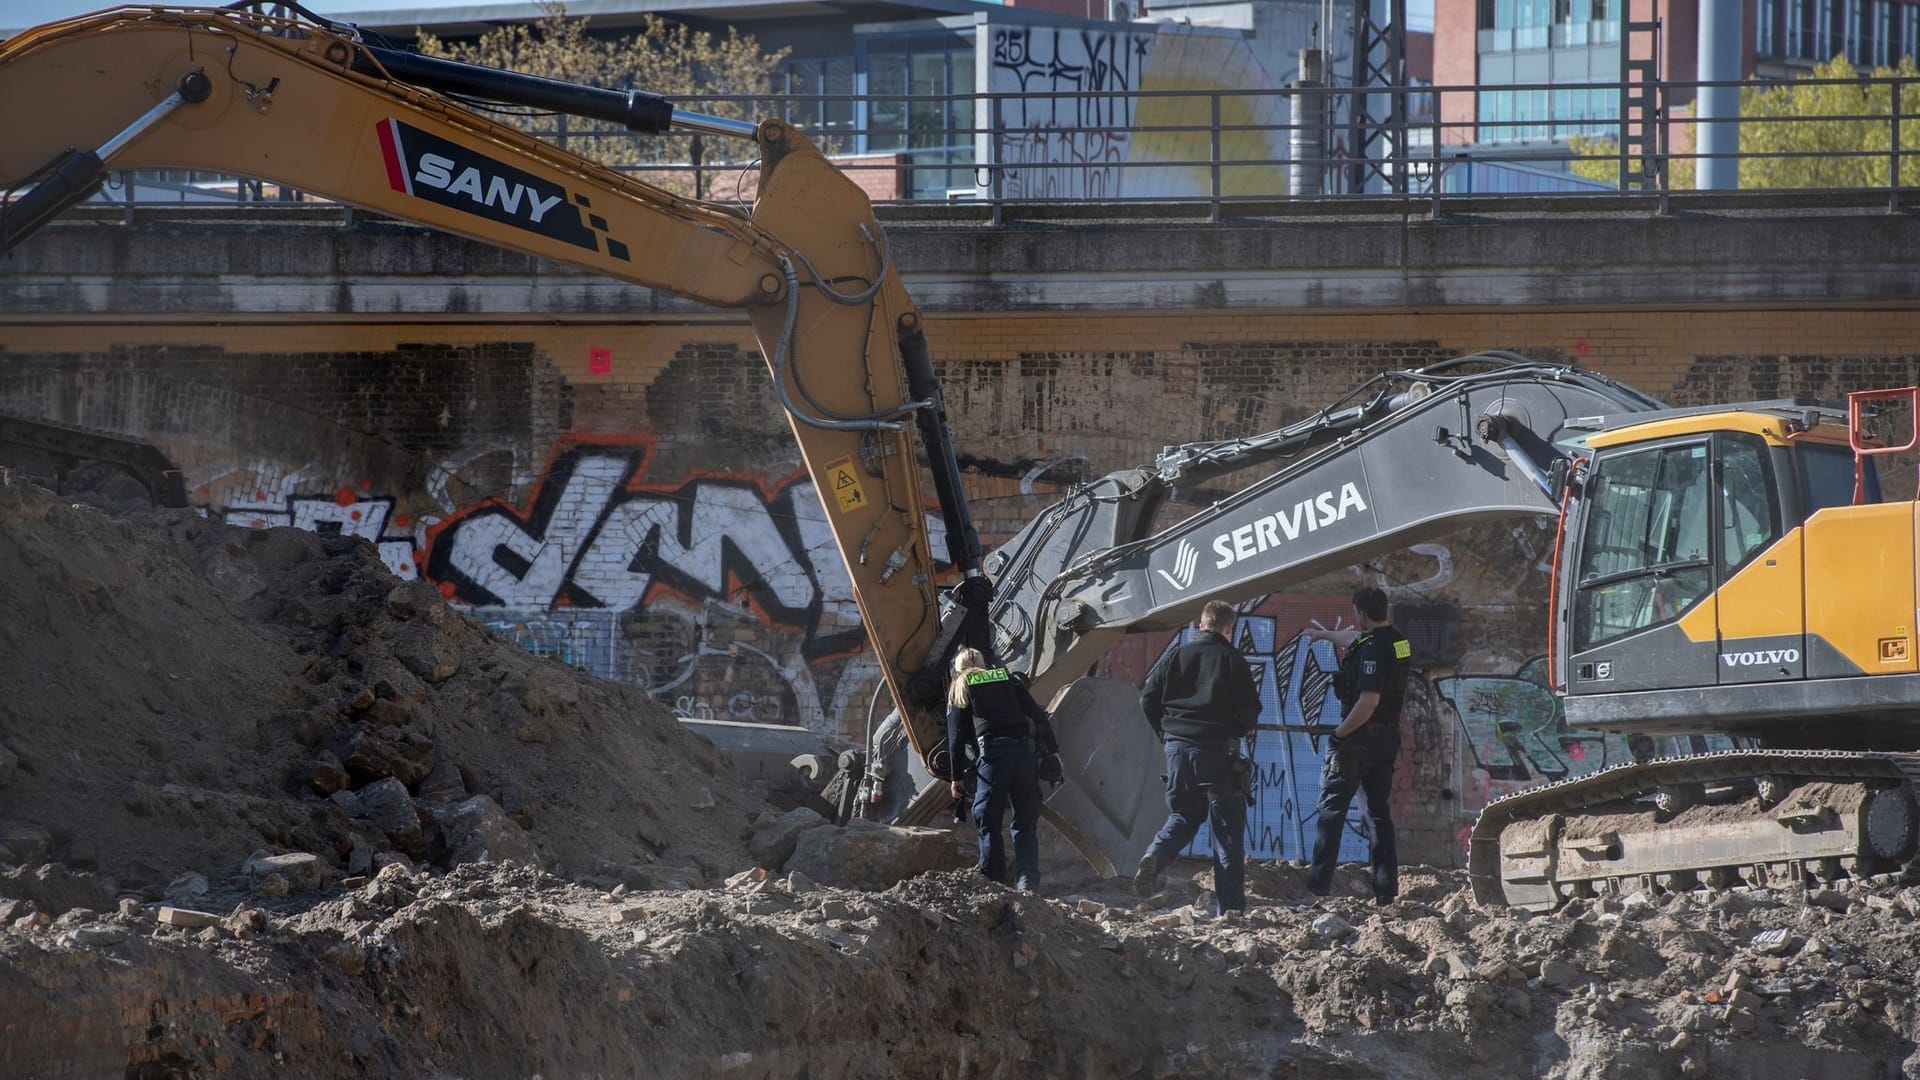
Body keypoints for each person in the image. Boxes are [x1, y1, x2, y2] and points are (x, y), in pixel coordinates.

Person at [1134, 599, 1260, 914]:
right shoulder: (1233, 660)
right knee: (1227, 830)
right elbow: (1250, 712)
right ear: (1229, 629)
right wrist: (1233, 731)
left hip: (1177, 749)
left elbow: (1147, 699)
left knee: (1183, 815)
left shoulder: (1177, 654)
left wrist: (1167, 735)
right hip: (1218, 751)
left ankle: (1155, 855)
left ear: (1200, 624)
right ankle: (1231, 910)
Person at [1304, 585, 1413, 905]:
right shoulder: (1399, 642)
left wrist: (1339, 733)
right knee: (1377, 813)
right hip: (1387, 738)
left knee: (1331, 811)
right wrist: (1325, 636)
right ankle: (1385, 889)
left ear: (1362, 613)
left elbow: (1367, 701)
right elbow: (1357, 639)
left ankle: (1317, 887)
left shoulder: (1372, 651)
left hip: (1357, 740)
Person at [946, 647, 1062, 892]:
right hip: (1023, 756)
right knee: (1025, 822)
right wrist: (1053, 752)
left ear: (959, 669)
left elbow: (955, 738)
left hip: (994, 760)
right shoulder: (1005, 677)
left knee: (988, 820)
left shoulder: (961, 685)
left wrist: (956, 778)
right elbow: (1038, 716)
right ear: (982, 662)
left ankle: (992, 882)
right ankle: (1027, 882)